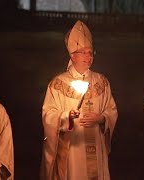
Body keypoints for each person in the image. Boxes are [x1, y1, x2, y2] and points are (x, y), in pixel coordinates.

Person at [40, 20, 118, 180]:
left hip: (96, 145)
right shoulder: (58, 84)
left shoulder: (101, 82)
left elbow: (112, 110)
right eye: (83, 52)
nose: (88, 57)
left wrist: (101, 118)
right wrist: (66, 116)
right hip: (72, 150)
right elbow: (48, 115)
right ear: (72, 55)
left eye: (91, 52)